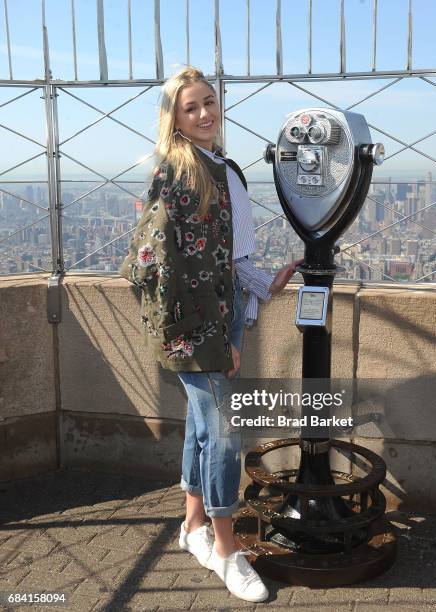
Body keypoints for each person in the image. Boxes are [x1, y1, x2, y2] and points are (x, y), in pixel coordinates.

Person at [119, 66, 301, 603]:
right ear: (173, 118)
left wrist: (266, 283)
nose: (204, 114)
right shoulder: (176, 172)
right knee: (224, 433)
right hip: (189, 326)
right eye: (190, 107)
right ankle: (225, 549)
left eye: (209, 102)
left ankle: (193, 525)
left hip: (210, 320)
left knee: (203, 428)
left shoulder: (226, 170)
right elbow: (151, 259)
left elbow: (234, 257)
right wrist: (201, 328)